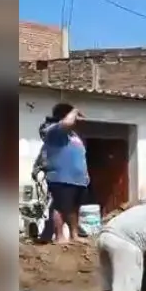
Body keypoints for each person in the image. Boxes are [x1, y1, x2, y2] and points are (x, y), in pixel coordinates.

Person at [40, 102, 89, 243]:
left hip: (78, 179)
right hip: (61, 178)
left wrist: (85, 175)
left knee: (74, 208)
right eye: (74, 117)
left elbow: (80, 156)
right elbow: (67, 123)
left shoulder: (74, 135)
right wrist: (75, 110)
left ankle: (74, 235)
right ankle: (60, 237)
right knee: (60, 207)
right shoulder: (54, 130)